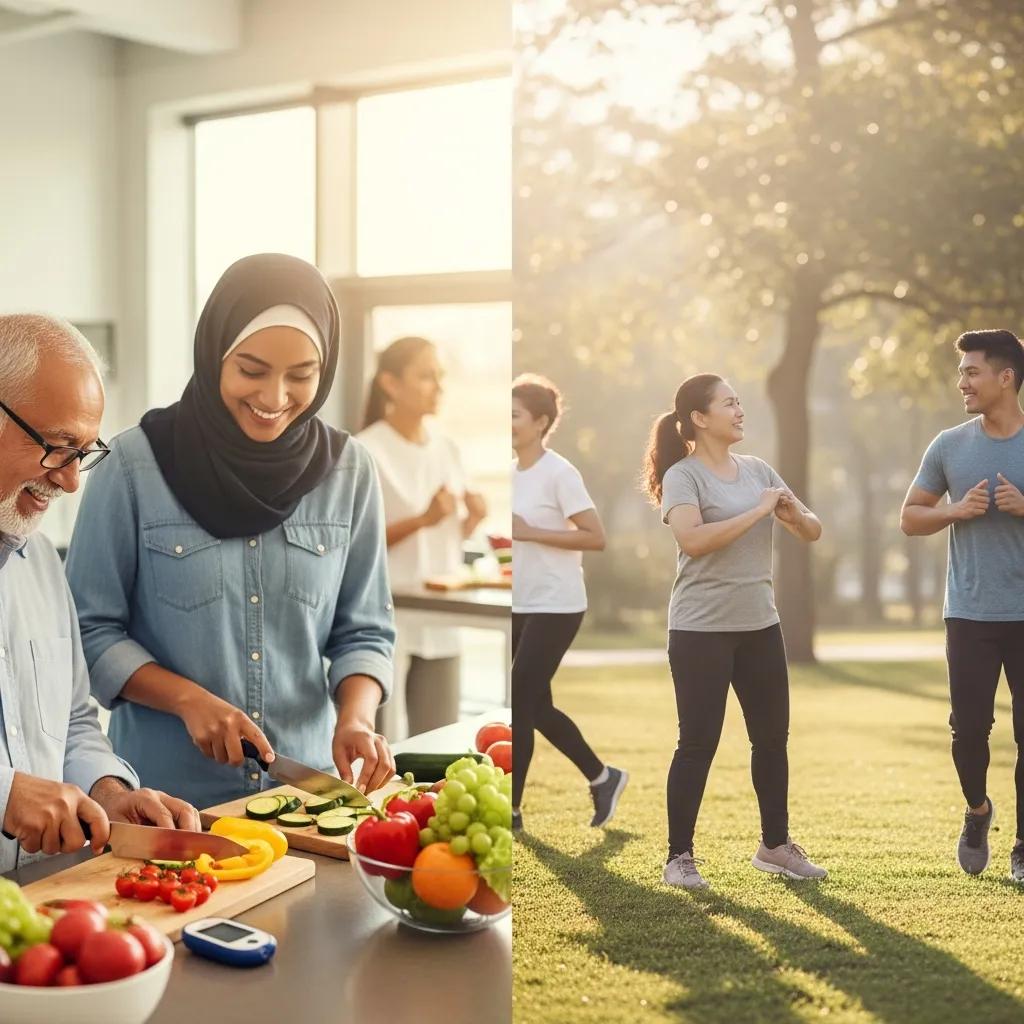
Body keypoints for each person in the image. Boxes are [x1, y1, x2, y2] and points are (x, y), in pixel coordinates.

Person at [65, 254, 396, 809]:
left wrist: (356, 717)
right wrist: (187, 700)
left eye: (301, 375)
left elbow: (364, 630)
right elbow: (88, 631)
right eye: (252, 369)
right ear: (215, 351)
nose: (274, 398)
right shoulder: (130, 466)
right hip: (166, 805)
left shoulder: (350, 471)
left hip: (308, 802)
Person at [0, 314, 200, 872]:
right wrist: (5, 792)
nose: (70, 481)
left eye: (84, 452)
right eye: (58, 446)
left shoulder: (38, 561)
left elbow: (72, 722)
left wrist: (110, 792)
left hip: (33, 910)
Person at [644, 372, 825, 889]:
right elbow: (694, 540)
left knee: (772, 740)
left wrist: (791, 512)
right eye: (729, 403)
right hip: (701, 629)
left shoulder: (758, 471)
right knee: (697, 744)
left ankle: (775, 846)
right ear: (699, 418)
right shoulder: (684, 476)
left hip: (760, 626)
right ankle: (679, 858)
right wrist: (760, 510)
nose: (740, 410)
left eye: (740, 402)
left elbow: (812, 531)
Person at [901, 329, 1024, 882]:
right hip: (970, 613)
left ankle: (1023, 844)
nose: (963, 383)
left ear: (1006, 378)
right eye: (962, 372)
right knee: (968, 731)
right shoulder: (949, 444)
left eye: (973, 372)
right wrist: (956, 511)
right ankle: (978, 810)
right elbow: (909, 517)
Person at [511, 373, 626, 831]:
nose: (508, 425)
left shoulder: (559, 473)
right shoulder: (510, 473)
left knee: (520, 699)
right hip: (519, 602)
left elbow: (595, 537)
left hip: (556, 605)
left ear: (540, 423)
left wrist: (530, 531)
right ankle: (603, 777)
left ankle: (511, 811)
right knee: (533, 705)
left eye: (514, 417)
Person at [358, 337, 487, 738]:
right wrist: (422, 519)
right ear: (390, 384)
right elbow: (356, 548)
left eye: (440, 376)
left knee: (440, 743)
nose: (438, 386)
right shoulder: (364, 451)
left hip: (443, 617)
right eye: (426, 376)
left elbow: (449, 538)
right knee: (380, 744)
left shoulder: (447, 448)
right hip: (386, 617)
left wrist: (473, 520)